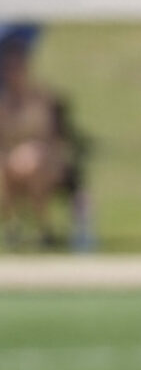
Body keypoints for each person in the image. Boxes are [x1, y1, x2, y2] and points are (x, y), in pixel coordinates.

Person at [0, 24, 88, 251]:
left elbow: (55, 137)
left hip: (46, 161)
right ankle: (13, 227)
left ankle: (43, 228)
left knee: (34, 163)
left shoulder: (42, 98)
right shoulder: (3, 104)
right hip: (10, 166)